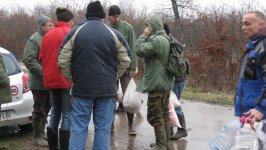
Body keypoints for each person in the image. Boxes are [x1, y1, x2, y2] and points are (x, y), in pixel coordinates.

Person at [57, 1, 131, 150]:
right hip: (106, 90)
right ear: (103, 16)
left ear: (87, 15)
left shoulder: (75, 32)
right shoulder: (114, 34)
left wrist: (73, 78)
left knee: (78, 128)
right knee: (103, 130)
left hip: (81, 88)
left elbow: (62, 60)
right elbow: (126, 59)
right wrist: (114, 77)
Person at [136, 15, 174, 150]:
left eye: (148, 26)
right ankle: (165, 143)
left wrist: (144, 35)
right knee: (163, 114)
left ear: (152, 26)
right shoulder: (166, 38)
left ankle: (160, 145)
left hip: (157, 83)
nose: (146, 28)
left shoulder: (157, 40)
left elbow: (139, 50)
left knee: (155, 114)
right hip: (165, 83)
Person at [39, 7, 74, 150]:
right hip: (66, 80)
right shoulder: (70, 33)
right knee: (67, 114)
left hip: (50, 80)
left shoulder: (47, 35)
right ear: (69, 20)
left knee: (55, 112)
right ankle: (65, 147)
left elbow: (41, 58)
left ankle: (53, 146)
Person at [23, 14, 53, 147]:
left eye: (52, 24)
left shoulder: (48, 37)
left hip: (49, 82)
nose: (52, 27)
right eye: (49, 25)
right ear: (42, 26)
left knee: (47, 107)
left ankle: (42, 133)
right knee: (39, 109)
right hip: (39, 82)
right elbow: (29, 60)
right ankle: (37, 136)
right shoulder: (34, 39)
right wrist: (44, 73)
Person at [108, 5, 138, 135]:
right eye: (114, 16)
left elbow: (133, 47)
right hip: (111, 69)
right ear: (109, 16)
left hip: (125, 69)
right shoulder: (106, 29)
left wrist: (133, 67)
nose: (117, 18)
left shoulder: (127, 28)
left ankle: (131, 126)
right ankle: (110, 125)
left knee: (128, 99)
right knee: (110, 97)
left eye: (118, 16)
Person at [234, 10, 266, 122]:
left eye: (247, 24)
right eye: (242, 24)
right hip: (250, 115)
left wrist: (261, 109)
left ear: (262, 25)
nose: (243, 27)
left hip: (260, 116)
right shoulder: (254, 47)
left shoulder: (264, 47)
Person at [163, 23, 188, 140]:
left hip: (177, 80)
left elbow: (174, 65)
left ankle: (182, 130)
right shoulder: (170, 41)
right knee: (169, 105)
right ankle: (170, 131)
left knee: (174, 104)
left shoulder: (172, 44)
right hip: (175, 79)